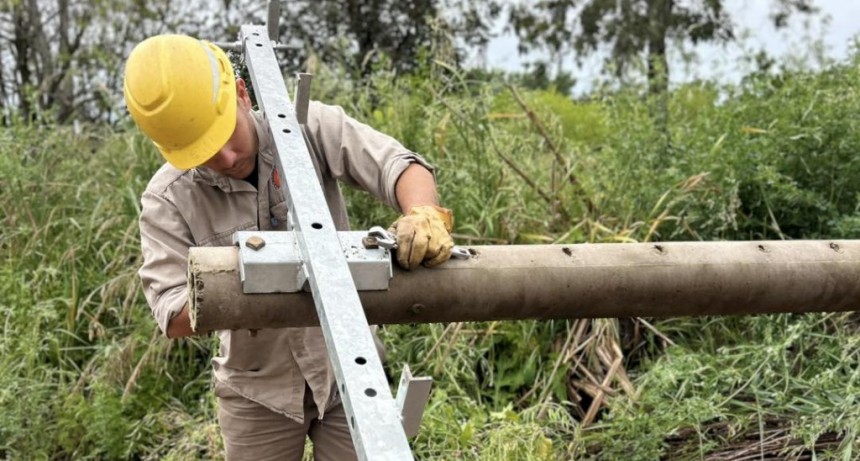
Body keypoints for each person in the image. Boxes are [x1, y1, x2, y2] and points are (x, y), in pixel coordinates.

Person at [123, 34, 454, 460]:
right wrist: (249, 277)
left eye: (226, 134)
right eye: (203, 152)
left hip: (349, 372)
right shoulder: (167, 199)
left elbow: (399, 165)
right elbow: (172, 312)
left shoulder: (307, 128)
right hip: (256, 392)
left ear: (242, 94)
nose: (226, 158)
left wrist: (424, 213)